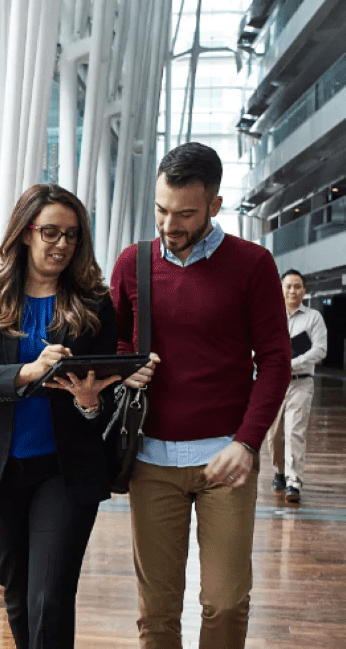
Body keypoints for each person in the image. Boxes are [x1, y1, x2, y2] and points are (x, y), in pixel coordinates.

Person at [111, 142, 291, 649]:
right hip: (150, 460)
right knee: (158, 610)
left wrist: (248, 441)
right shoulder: (132, 263)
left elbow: (275, 360)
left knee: (226, 600)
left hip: (227, 458)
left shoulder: (252, 264)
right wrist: (126, 370)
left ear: (214, 205)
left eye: (185, 213)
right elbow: (116, 342)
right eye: (161, 210)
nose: (170, 224)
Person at [0, 184, 121, 648]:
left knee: (51, 596)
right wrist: (28, 370)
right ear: (25, 233)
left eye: (71, 235)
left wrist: (89, 400)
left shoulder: (94, 304)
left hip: (64, 468)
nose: (61, 244)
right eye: (50, 232)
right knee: (19, 593)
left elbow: (105, 388)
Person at [267, 269, 327, 503]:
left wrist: (292, 363)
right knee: (274, 436)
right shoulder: (271, 317)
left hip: (301, 383)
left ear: (304, 290)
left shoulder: (313, 318)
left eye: (297, 286)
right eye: (288, 286)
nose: (293, 290)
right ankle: (280, 473)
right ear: (280, 289)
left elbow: (320, 349)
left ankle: (294, 483)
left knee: (294, 432)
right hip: (274, 383)